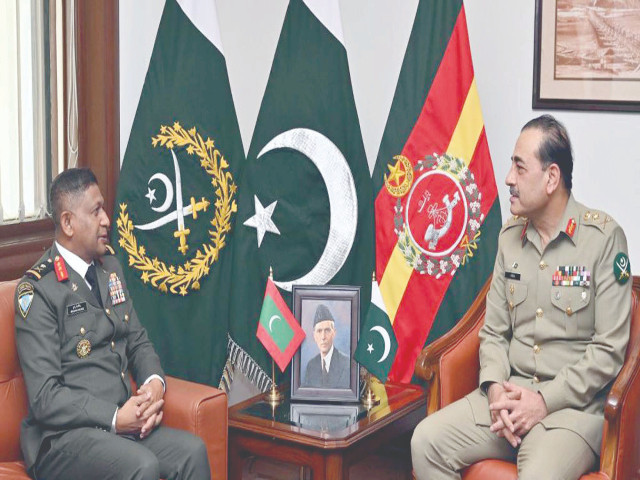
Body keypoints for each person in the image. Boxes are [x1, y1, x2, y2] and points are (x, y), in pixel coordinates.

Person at [411, 115, 632, 480]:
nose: (508, 179)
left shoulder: (603, 239)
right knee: (426, 442)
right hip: (506, 399)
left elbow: (609, 350)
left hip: (569, 412)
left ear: (551, 178)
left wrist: (544, 401)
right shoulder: (509, 237)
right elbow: (494, 333)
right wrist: (497, 390)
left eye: (519, 166)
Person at [14, 168, 210, 480]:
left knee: (192, 452)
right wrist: (116, 417)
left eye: (103, 208)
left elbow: (138, 341)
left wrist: (153, 387)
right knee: (141, 465)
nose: (107, 219)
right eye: (96, 211)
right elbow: (45, 397)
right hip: (64, 439)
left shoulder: (110, 268)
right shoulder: (38, 290)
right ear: (68, 223)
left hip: (119, 426)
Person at [302, 304, 350, 388]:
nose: (323, 337)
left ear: (334, 333)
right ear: (314, 336)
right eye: (319, 331)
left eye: (327, 330)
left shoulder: (346, 364)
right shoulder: (311, 366)